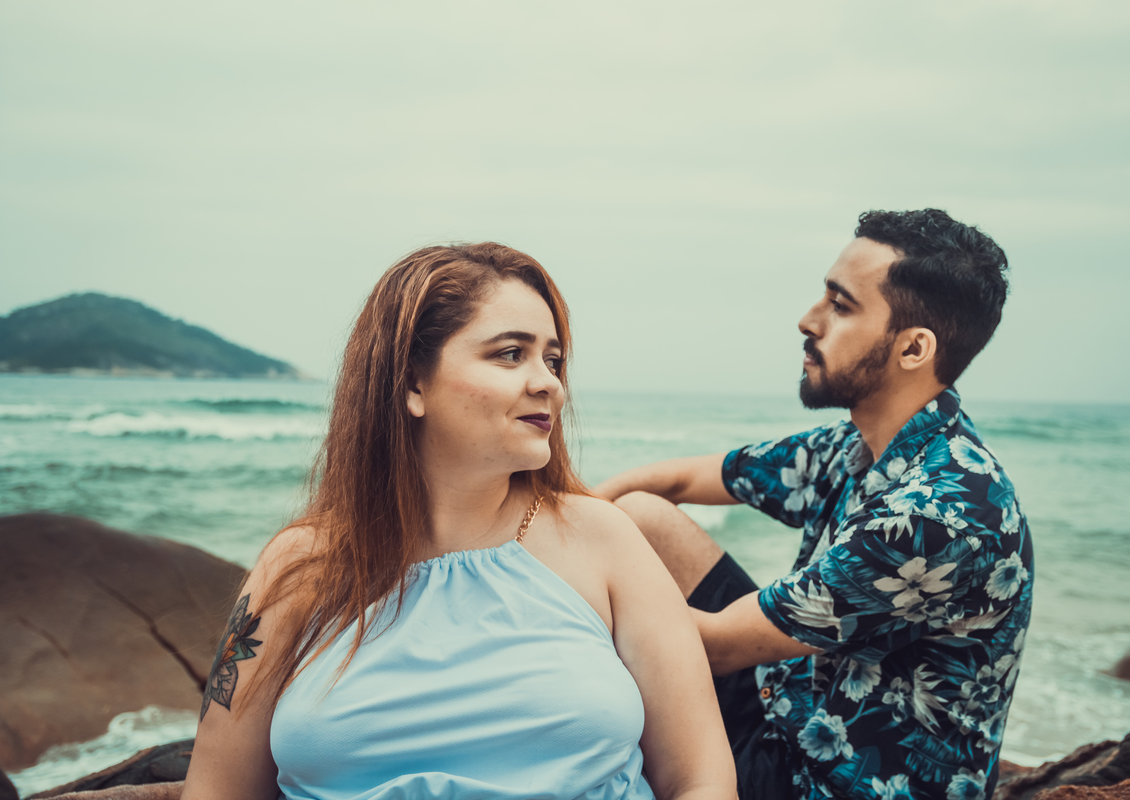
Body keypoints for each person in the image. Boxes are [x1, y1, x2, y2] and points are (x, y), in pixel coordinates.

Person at [182, 243, 737, 800]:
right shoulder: (301, 564)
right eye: (510, 354)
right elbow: (215, 790)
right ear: (411, 384)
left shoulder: (604, 540)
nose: (549, 383)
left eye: (553, 360)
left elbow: (701, 780)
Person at [597, 210, 1034, 800]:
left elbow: (716, 646)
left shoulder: (935, 516)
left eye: (840, 305)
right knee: (639, 515)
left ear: (912, 348)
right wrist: (559, 518)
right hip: (790, 706)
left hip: (823, 781)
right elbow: (683, 479)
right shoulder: (863, 445)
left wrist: (566, 608)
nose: (808, 320)